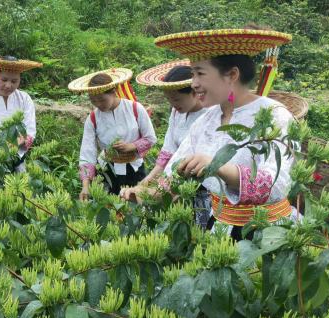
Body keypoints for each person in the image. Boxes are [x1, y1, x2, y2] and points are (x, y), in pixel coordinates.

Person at [122, 28, 296, 240]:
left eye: (200, 73)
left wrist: (217, 166)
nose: (193, 83)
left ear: (232, 75)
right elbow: (175, 169)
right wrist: (146, 193)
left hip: (268, 234)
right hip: (220, 227)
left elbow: (276, 184)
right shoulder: (206, 121)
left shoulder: (275, 116)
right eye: (193, 73)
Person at [135, 60, 211, 227]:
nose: (173, 105)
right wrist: (146, 181)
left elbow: (185, 160)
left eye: (177, 99)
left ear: (194, 92)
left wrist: (158, 189)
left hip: (199, 187)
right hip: (175, 182)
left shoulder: (208, 116)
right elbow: (168, 152)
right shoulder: (176, 113)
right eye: (169, 100)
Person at [68, 68, 156, 201]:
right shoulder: (92, 119)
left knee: (137, 205)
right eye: (93, 100)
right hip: (108, 171)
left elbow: (150, 138)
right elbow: (87, 154)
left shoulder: (135, 108)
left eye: (102, 100)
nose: (98, 104)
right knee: (110, 207)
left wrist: (132, 146)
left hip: (135, 168)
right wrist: (85, 186)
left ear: (113, 91)